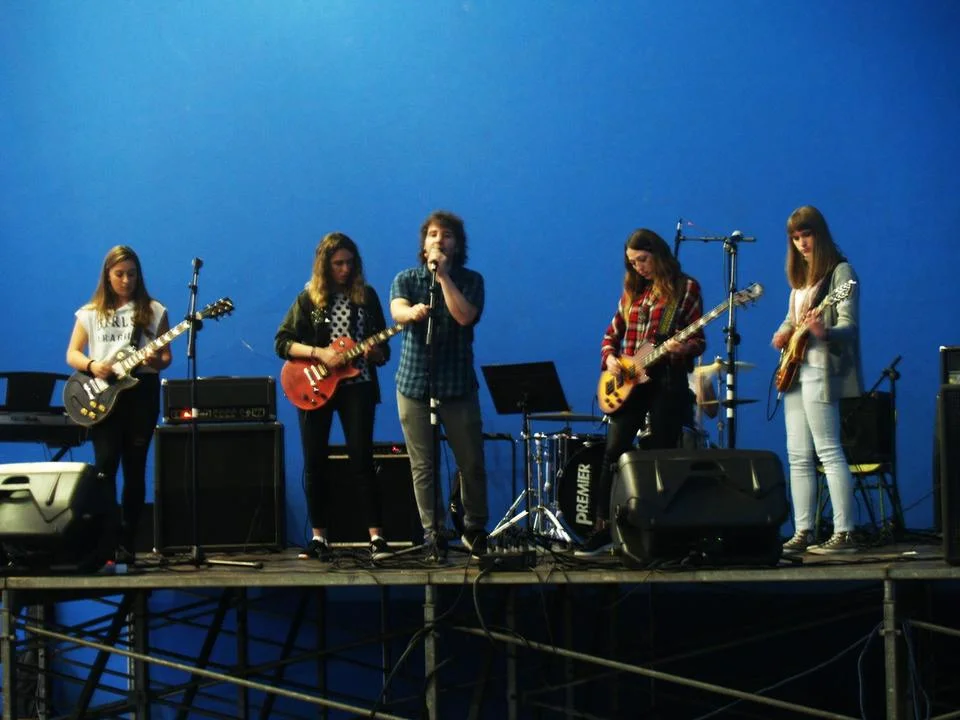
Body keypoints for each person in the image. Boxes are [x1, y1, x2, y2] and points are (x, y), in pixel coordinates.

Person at [577, 229, 706, 556]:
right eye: (633, 263)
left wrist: (682, 348)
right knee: (613, 452)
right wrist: (610, 358)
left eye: (643, 260)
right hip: (630, 381)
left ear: (658, 255)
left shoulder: (686, 288)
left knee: (660, 455)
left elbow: (699, 341)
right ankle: (603, 528)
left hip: (667, 381)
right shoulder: (632, 292)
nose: (639, 268)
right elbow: (611, 334)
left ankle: (657, 531)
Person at [275, 232, 393, 562]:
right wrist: (320, 353)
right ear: (325, 266)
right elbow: (282, 342)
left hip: (359, 386)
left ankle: (377, 537)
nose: (345, 269)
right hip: (315, 387)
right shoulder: (308, 299)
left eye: (350, 263)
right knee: (315, 461)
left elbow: (384, 350)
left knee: (362, 459)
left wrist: (376, 353)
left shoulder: (367, 297)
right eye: (338, 263)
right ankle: (319, 538)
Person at [389, 210, 488, 558]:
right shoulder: (406, 278)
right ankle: (433, 531)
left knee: (471, 461)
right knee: (423, 465)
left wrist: (443, 276)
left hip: (457, 385)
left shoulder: (471, 280)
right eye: (433, 234)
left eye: (446, 235)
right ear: (423, 243)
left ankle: (475, 528)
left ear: (457, 244)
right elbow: (397, 311)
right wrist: (411, 312)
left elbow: (464, 316)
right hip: (415, 384)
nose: (438, 240)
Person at [66, 245, 172, 563]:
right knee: (105, 466)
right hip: (103, 393)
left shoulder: (154, 310)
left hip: (142, 394)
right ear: (107, 276)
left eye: (132, 274)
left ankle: (127, 544)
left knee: (135, 468)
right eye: (120, 274)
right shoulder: (90, 313)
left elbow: (166, 358)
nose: (126, 280)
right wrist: (92, 365)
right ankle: (105, 541)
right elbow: (72, 353)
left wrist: (155, 359)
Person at [773, 205, 862, 555]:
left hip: (821, 370)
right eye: (795, 238)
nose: (801, 243)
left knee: (828, 449)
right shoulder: (801, 279)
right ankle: (803, 530)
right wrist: (783, 332)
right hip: (795, 370)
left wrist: (824, 332)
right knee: (797, 455)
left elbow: (849, 327)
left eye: (806, 235)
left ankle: (844, 532)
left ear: (819, 234)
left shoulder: (841, 273)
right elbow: (791, 318)